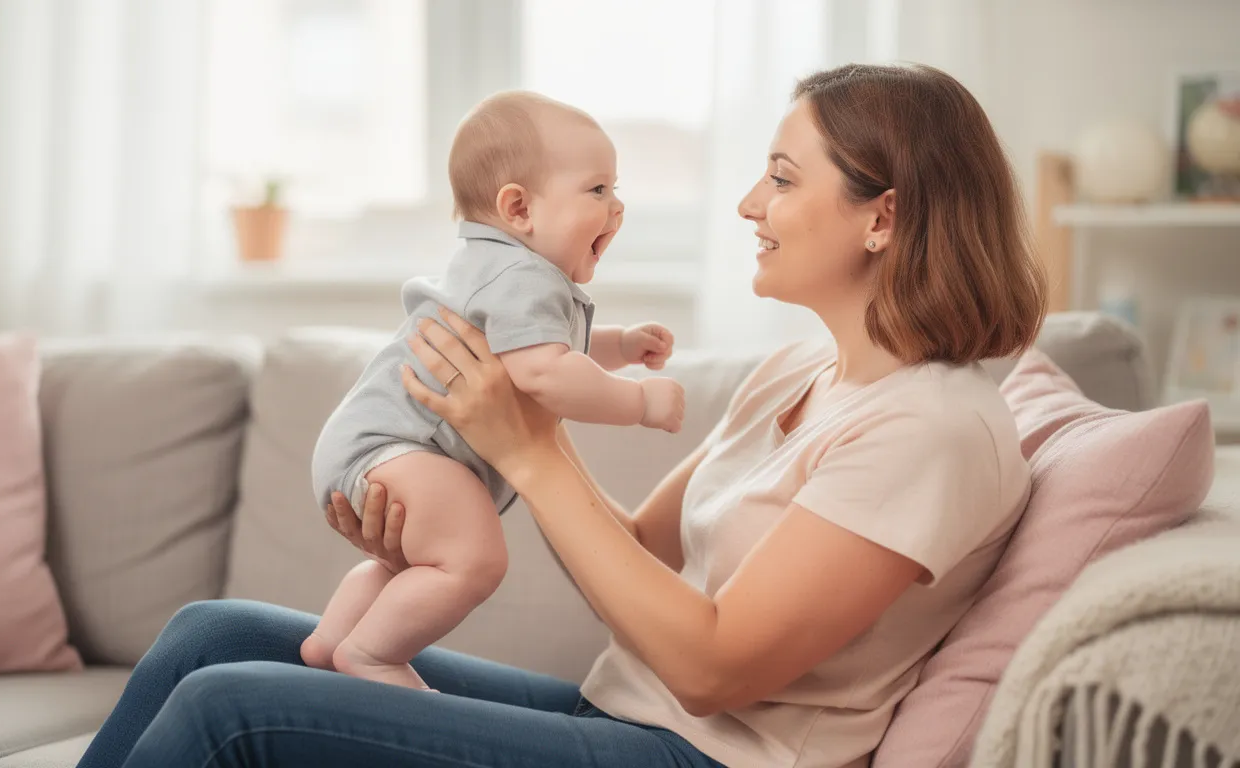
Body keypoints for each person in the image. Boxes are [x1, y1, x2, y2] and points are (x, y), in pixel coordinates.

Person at [74, 62, 1046, 768]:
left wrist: (531, 448)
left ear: (883, 218)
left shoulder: (934, 430)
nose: (750, 203)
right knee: (212, 634)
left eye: (784, 179)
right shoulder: (796, 375)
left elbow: (714, 670)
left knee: (225, 711)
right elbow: (638, 555)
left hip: (713, 758)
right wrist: (448, 481)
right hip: (621, 714)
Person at [304, 90, 684, 691]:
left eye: (615, 189)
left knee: (410, 565)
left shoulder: (501, 271)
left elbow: (541, 351)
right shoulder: (524, 275)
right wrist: (640, 400)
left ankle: (334, 641)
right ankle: (372, 656)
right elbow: (547, 373)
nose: (618, 208)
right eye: (598, 190)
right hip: (400, 446)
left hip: (372, 444)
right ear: (519, 208)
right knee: (475, 561)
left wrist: (620, 344)